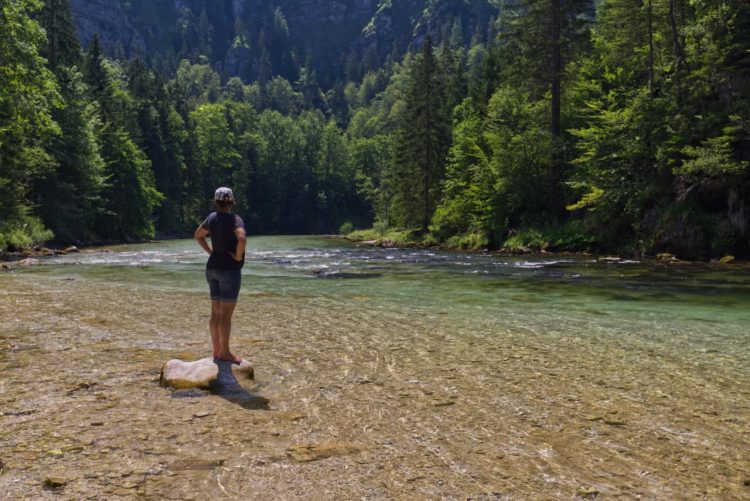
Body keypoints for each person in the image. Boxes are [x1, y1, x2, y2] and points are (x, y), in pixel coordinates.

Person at [194, 187, 247, 364]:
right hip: (229, 271)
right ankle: (225, 352)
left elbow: (198, 235)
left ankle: (216, 350)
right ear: (232, 201)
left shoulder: (211, 218)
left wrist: (211, 252)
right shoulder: (235, 219)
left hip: (212, 268)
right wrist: (238, 256)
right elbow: (241, 239)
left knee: (215, 312)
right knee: (225, 315)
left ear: (216, 202)